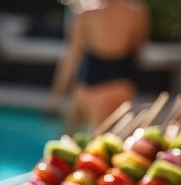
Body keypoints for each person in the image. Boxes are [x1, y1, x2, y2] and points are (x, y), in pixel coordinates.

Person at [50, 0, 149, 133]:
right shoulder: (138, 12)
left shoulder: (87, 12)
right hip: (125, 82)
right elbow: (138, 50)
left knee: (73, 137)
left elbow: (72, 57)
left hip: (93, 84)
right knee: (116, 139)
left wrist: (56, 95)